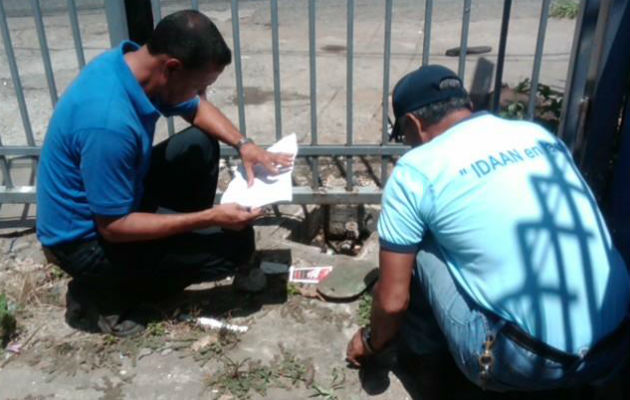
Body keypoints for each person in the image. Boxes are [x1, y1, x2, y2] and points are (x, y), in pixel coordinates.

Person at [346, 65, 629, 392]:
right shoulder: (535, 134)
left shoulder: (415, 172)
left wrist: (370, 342)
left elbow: (394, 300)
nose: (407, 144)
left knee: (417, 245)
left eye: (403, 135)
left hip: (523, 364)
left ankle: (426, 365)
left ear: (414, 124)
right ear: (465, 106)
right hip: (617, 343)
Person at [36, 10, 292, 336]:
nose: (201, 94)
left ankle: (164, 254)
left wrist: (244, 145)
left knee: (200, 144)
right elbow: (113, 226)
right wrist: (209, 218)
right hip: (83, 243)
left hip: (118, 203)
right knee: (233, 249)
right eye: (201, 85)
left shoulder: (129, 67)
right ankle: (101, 296)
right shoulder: (108, 123)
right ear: (172, 68)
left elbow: (196, 109)